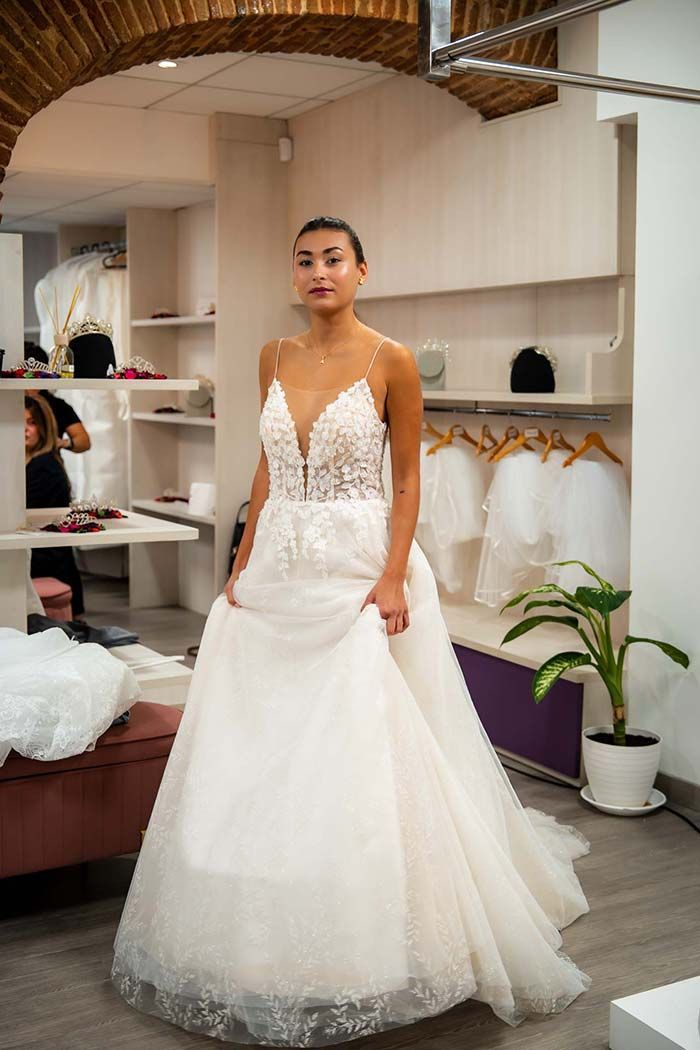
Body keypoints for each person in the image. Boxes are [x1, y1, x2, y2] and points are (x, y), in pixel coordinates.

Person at [111, 217, 592, 1045]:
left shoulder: (391, 359)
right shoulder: (271, 356)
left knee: (361, 736)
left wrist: (391, 574)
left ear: (362, 270)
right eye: (304, 260)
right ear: (293, 275)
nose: (318, 271)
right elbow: (265, 469)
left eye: (334, 258)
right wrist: (243, 556)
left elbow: (408, 478)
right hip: (279, 569)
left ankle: (374, 911)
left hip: (356, 565)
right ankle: (260, 902)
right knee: (261, 737)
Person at [25, 394, 85, 618]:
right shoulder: (26, 463)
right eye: (20, 423)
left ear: (44, 427)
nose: (24, 430)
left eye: (31, 423)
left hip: (47, 560)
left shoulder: (45, 468)